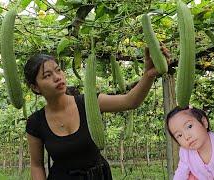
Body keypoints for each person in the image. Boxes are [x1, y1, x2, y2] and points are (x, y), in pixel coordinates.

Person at [23, 46, 170, 180]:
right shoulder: (35, 122)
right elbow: (36, 166)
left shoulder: (89, 103)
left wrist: (149, 74)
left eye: (58, 70)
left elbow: (131, 101)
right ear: (35, 87)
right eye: (47, 75)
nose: (57, 77)